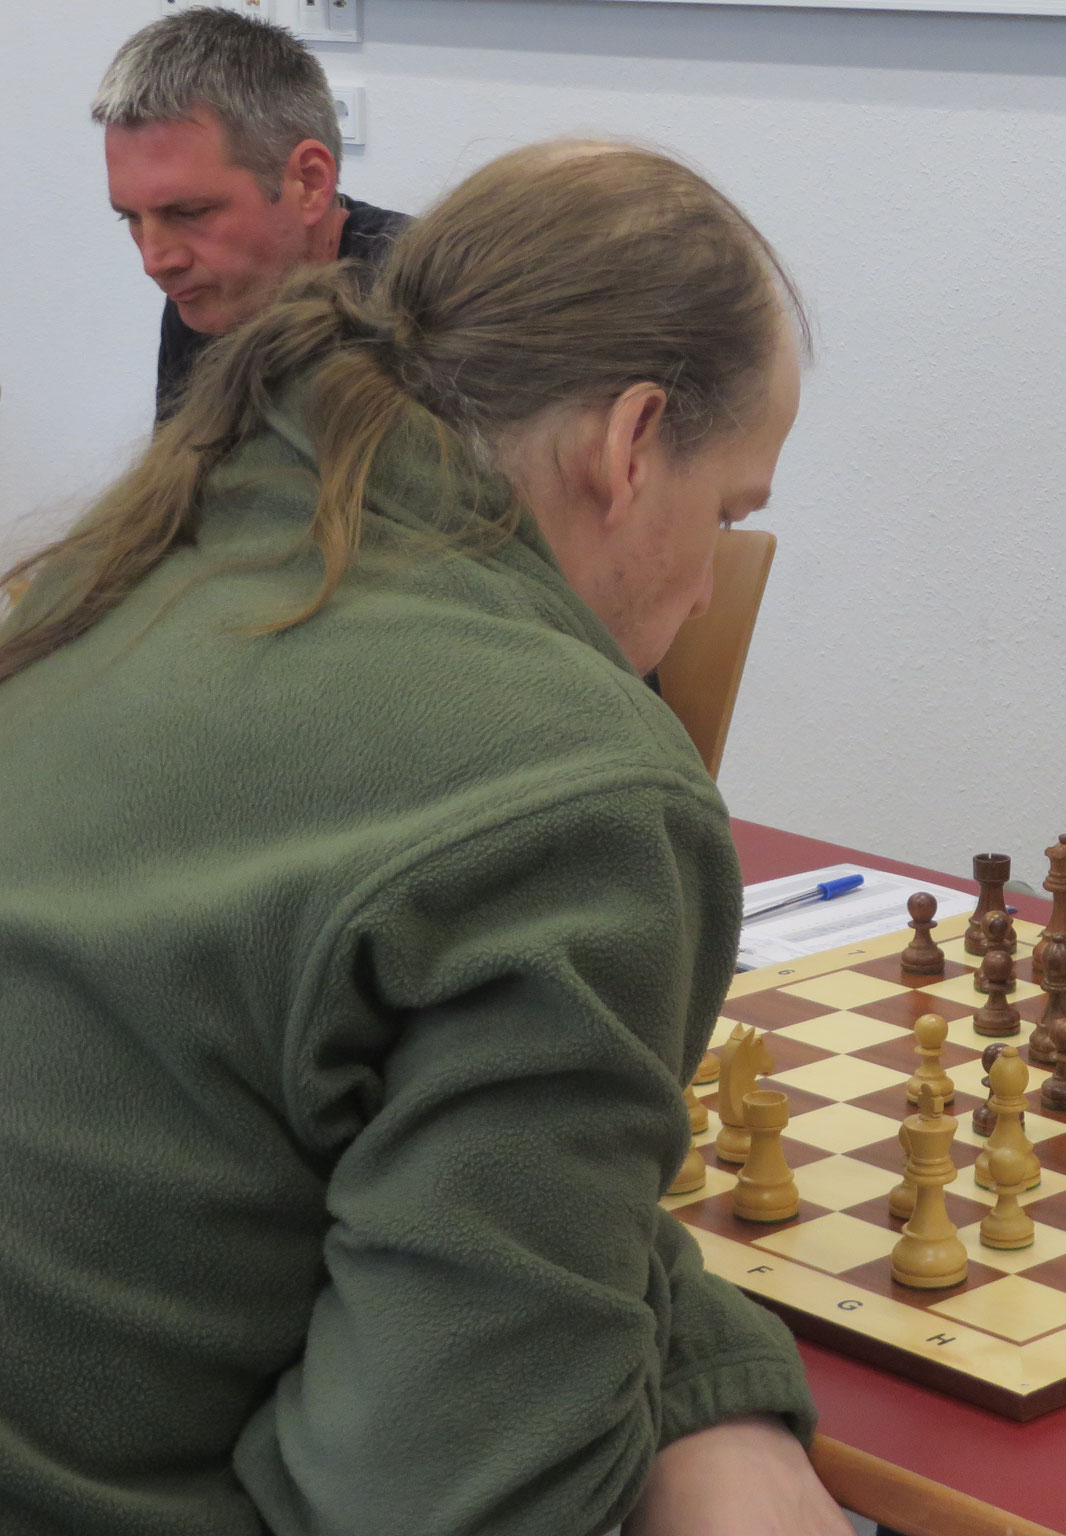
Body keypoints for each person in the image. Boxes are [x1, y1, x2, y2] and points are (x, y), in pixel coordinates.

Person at [0, 140, 846, 1536]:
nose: (706, 593)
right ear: (630, 445)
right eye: (730, 511)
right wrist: (722, 1409)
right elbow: (437, 1498)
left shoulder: (110, 575)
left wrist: (710, 1388)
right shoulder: (577, 793)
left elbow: (465, 1195)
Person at [95, 7, 410, 420]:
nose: (154, 262)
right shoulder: (205, 296)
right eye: (132, 218)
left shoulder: (432, 305)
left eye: (190, 212)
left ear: (311, 183)